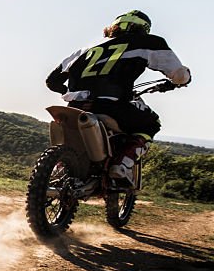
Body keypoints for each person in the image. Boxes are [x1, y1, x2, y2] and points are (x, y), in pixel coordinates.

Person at [45, 10, 191, 185]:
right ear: (143, 29)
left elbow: (52, 81)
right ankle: (122, 164)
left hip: (74, 106)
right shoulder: (149, 42)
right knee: (151, 123)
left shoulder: (85, 50)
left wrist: (66, 91)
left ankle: (59, 170)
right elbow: (179, 75)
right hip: (112, 105)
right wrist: (182, 80)